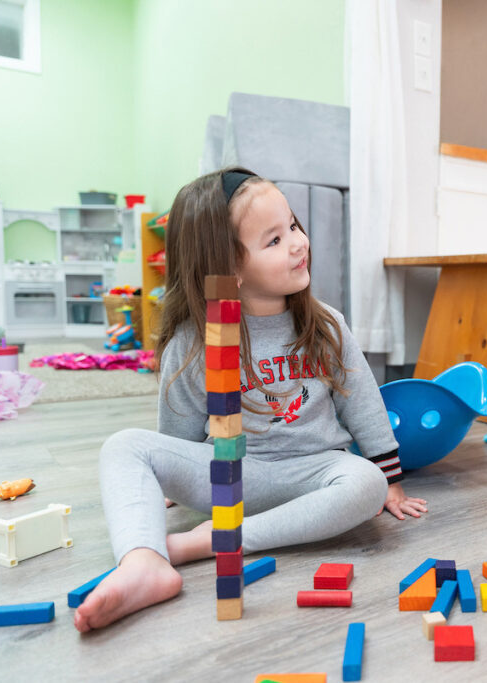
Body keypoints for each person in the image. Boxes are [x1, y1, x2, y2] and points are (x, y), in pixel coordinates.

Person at [74, 168, 427, 632]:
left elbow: (363, 401)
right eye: (275, 240)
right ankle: (143, 561)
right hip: (232, 473)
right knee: (122, 446)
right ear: (230, 270)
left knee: (365, 485)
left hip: (312, 470)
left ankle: (201, 543)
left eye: (294, 226)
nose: (299, 243)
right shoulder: (193, 341)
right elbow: (178, 433)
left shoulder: (326, 325)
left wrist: (389, 477)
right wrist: (161, 483)